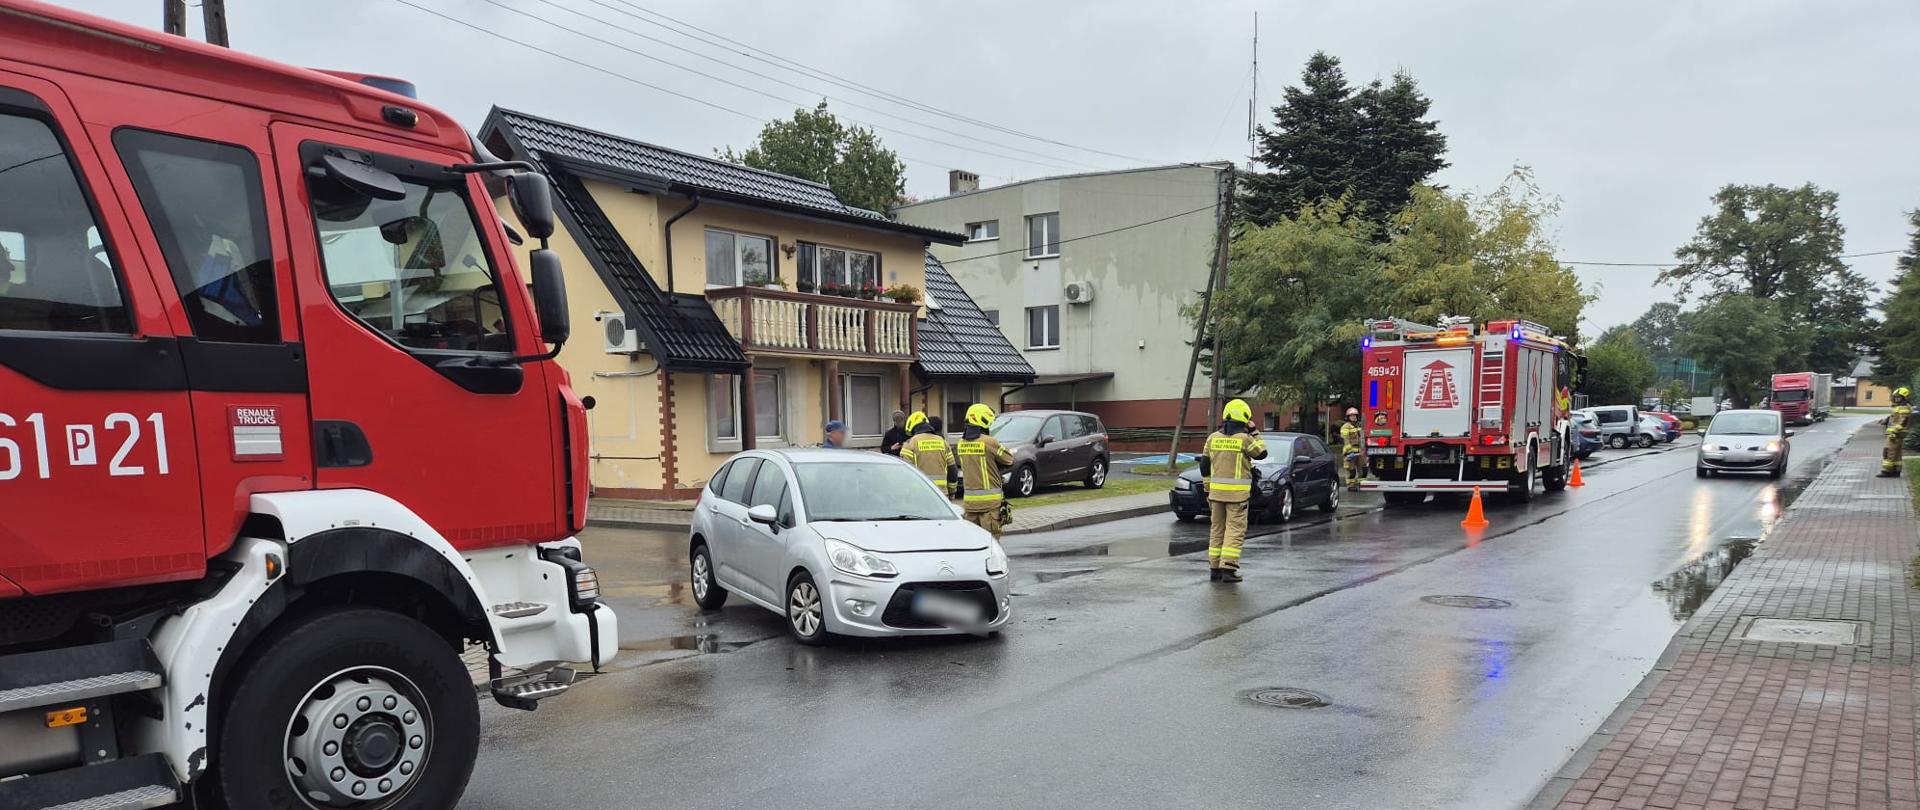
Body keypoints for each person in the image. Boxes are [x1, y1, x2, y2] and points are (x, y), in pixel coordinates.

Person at [1198, 399, 1267, 583]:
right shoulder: (1244, 439)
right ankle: (1228, 569)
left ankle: (1214, 569)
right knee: (1234, 531)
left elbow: (1204, 467)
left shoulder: (1212, 438)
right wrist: (1255, 431)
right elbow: (1262, 452)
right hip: (1237, 496)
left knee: (1217, 530)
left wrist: (1207, 490)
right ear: (1244, 417)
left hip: (1215, 495)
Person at [956, 403, 1015, 537]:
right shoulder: (989, 442)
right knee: (991, 543)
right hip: (990, 505)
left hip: (970, 504)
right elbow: (1009, 460)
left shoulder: (961, 443)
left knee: (974, 543)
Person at [898, 411, 957, 489]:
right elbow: (952, 469)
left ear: (912, 428)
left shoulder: (909, 444)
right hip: (941, 494)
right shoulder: (943, 442)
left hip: (920, 493)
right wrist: (952, 490)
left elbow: (904, 473)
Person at [1881, 387, 1912, 477]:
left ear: (1904, 398)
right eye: (1896, 397)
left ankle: (1887, 471)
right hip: (1898, 434)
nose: (1896, 399)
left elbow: (1903, 421)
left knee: (1889, 452)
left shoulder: (1903, 407)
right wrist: (1885, 421)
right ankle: (1896, 471)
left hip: (1895, 434)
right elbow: (1895, 418)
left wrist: (1894, 431)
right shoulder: (1900, 407)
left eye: (1899, 397)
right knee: (1897, 453)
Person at [1339, 406, 1366, 490]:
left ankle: (1361, 484)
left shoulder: (1358, 426)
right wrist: (1349, 452)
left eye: (1355, 415)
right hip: (1350, 453)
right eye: (1352, 416)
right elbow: (1346, 440)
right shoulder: (1345, 427)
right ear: (1348, 417)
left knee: (1363, 469)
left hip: (1360, 452)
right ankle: (1351, 486)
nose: (1354, 417)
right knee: (1351, 471)